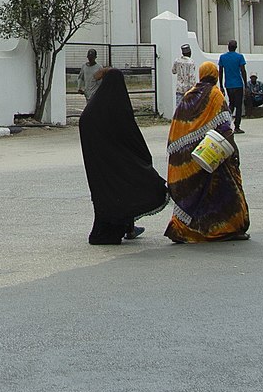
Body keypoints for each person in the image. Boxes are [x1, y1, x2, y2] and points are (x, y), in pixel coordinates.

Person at [79, 62, 169, 244]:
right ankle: (123, 227)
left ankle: (126, 227)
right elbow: (132, 136)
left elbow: (86, 127)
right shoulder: (118, 108)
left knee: (110, 194)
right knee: (126, 185)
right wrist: (143, 157)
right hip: (116, 162)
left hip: (99, 166)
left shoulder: (93, 109)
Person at [163, 59, 250, 244]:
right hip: (213, 154)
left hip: (189, 159)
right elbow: (226, 128)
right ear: (215, 76)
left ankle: (184, 229)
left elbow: (177, 129)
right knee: (224, 193)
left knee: (195, 194)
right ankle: (228, 228)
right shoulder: (215, 95)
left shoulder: (188, 95)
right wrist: (234, 152)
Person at [217, 39, 248, 131]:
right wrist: (245, 84)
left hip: (228, 85)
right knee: (238, 106)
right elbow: (243, 71)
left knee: (231, 104)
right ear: (236, 47)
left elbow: (221, 72)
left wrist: (221, 85)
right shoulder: (239, 57)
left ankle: (226, 123)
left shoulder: (223, 57)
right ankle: (237, 126)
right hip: (238, 84)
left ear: (228, 47)